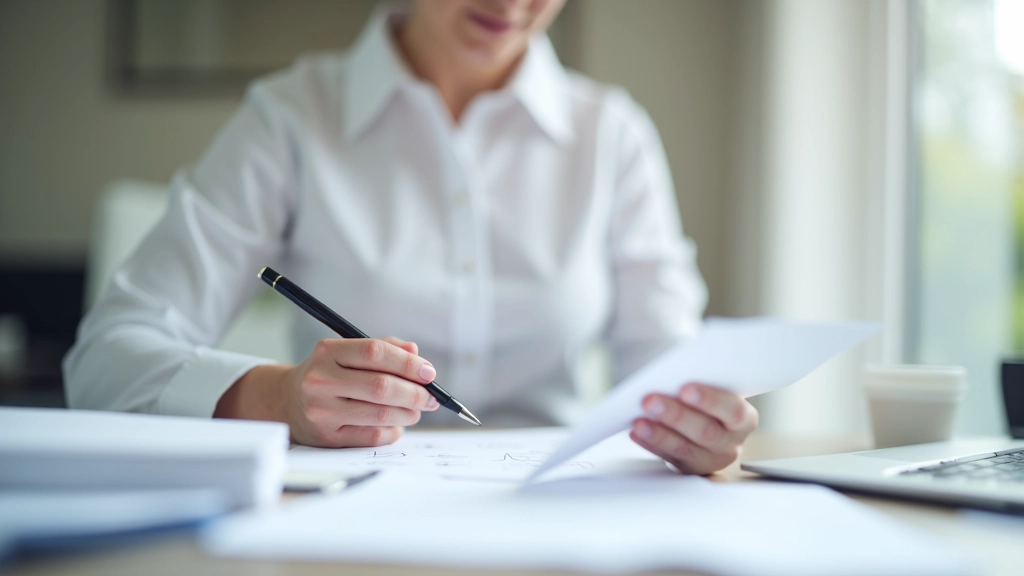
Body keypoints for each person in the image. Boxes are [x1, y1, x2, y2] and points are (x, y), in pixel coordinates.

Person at [64, 0, 758, 475]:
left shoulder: (613, 135)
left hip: (556, 521)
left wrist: (699, 425)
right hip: (340, 529)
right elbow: (104, 359)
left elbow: (668, 366)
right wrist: (279, 399)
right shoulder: (288, 118)